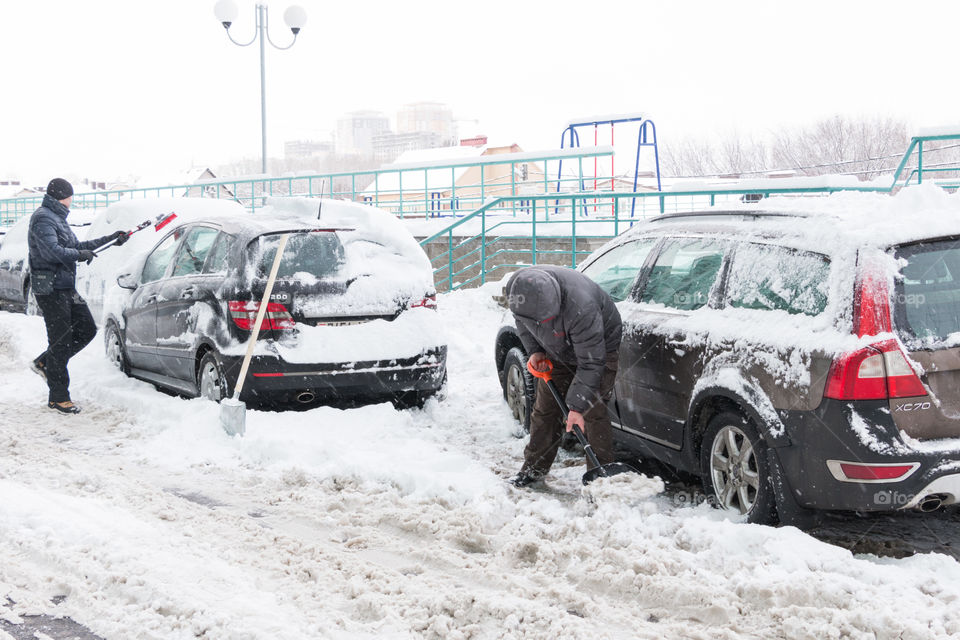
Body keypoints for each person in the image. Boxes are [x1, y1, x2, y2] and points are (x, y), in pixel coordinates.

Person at [505, 265, 623, 487]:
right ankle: (533, 470)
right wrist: (535, 351)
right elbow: (522, 322)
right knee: (544, 410)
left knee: (592, 413)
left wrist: (576, 408)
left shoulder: (582, 306)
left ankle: (601, 482)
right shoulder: (518, 292)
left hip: (598, 350)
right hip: (556, 349)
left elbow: (591, 363)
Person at [27, 178, 128, 414]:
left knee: (86, 328)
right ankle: (59, 397)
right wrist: (79, 254)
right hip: (51, 289)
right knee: (61, 340)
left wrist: (112, 239)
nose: (72, 201)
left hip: (64, 287)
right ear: (62, 196)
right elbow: (52, 252)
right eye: (70, 196)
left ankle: (45, 362)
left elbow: (77, 245)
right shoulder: (43, 218)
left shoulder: (56, 218)